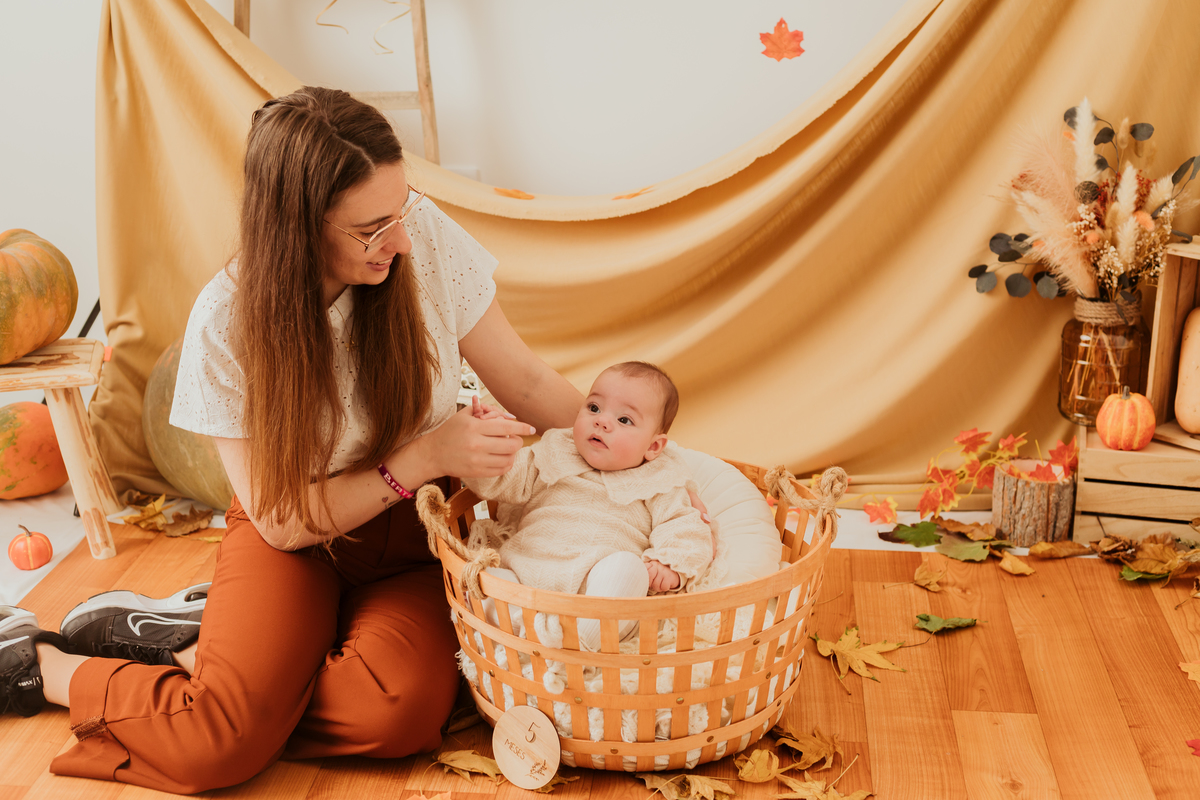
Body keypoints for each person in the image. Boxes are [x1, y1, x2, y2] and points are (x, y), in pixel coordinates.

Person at [0, 86, 591, 794]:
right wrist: (427, 456)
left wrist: (646, 449)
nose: (399, 240)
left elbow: (524, 380)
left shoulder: (418, 235)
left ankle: (198, 656)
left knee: (396, 714)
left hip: (413, 536)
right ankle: (41, 663)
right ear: (296, 227)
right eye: (370, 229)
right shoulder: (226, 323)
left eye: (401, 212)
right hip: (296, 532)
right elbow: (280, 521)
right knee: (215, 751)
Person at [464, 361, 713, 651]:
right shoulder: (554, 450)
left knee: (629, 569)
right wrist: (487, 443)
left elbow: (684, 525)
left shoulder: (660, 479)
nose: (602, 421)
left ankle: (580, 644)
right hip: (526, 577)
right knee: (485, 581)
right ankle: (540, 635)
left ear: (653, 447)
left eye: (624, 420)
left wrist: (669, 565)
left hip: (599, 593)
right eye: (594, 408)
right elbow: (500, 481)